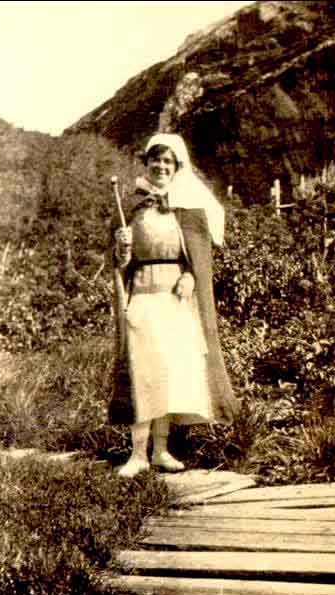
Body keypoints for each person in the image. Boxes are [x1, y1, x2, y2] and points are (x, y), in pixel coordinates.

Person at [107, 132, 238, 477]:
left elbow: (199, 259)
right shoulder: (132, 206)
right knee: (143, 373)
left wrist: (192, 277)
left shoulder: (188, 208)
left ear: (177, 167)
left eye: (168, 162)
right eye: (155, 161)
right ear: (146, 164)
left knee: (168, 374)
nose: (161, 167)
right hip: (144, 300)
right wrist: (121, 249)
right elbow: (121, 264)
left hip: (176, 302)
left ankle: (161, 450)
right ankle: (137, 454)